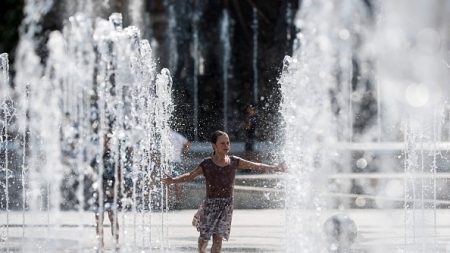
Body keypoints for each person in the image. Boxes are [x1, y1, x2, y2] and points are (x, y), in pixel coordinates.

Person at [161, 130, 285, 253]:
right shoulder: (207, 164)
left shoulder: (234, 161)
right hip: (210, 205)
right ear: (214, 146)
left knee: (218, 238)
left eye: (228, 143)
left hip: (226, 205)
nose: (226, 146)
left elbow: (254, 165)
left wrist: (275, 167)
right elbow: (190, 175)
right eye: (222, 143)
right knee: (204, 237)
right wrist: (173, 180)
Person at [90, 134, 121, 249]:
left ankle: (116, 243)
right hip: (100, 190)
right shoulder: (98, 155)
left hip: (111, 188)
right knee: (99, 218)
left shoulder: (114, 156)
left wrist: (116, 187)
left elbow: (119, 172)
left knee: (113, 217)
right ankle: (100, 243)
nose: (105, 142)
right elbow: (90, 168)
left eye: (107, 140)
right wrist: (95, 180)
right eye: (103, 140)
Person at [169, 130, 190, 208]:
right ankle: (178, 202)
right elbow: (187, 144)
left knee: (168, 181)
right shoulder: (178, 136)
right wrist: (184, 151)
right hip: (177, 161)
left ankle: (169, 202)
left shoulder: (166, 135)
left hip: (168, 161)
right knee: (178, 181)